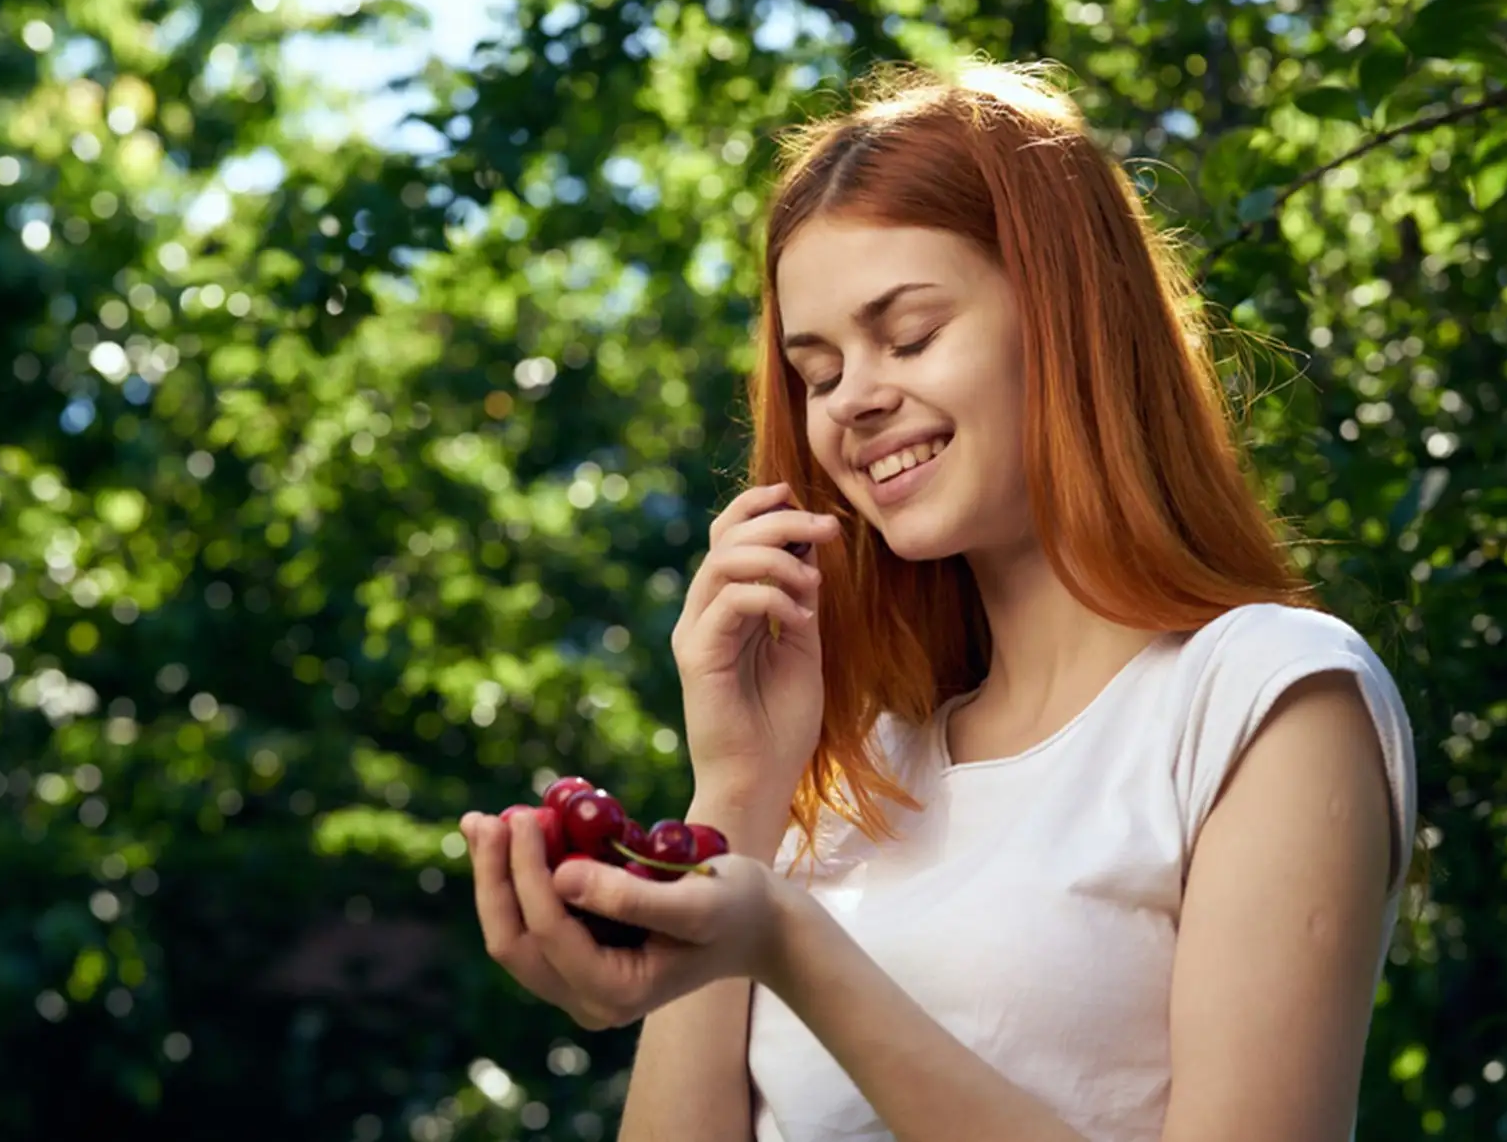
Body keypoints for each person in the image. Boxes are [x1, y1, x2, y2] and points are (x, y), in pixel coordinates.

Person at [460, 60, 1419, 1142]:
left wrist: (791, 944)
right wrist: (737, 783)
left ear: (1069, 317)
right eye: (817, 373)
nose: (855, 400)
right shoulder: (859, 774)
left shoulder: (1265, 697)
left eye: (908, 335)